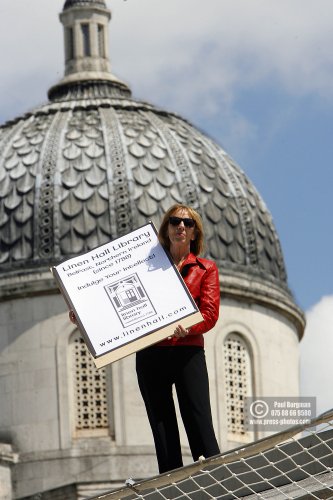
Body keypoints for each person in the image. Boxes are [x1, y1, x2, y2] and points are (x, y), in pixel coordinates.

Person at [136, 204, 220, 473]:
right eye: (174, 222)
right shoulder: (146, 266)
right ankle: (172, 487)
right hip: (152, 353)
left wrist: (190, 327)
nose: (180, 226)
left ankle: (216, 481)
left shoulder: (206, 269)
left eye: (187, 223)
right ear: (166, 228)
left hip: (187, 352)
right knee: (162, 430)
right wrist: (83, 316)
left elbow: (209, 313)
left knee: (199, 423)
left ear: (195, 232)